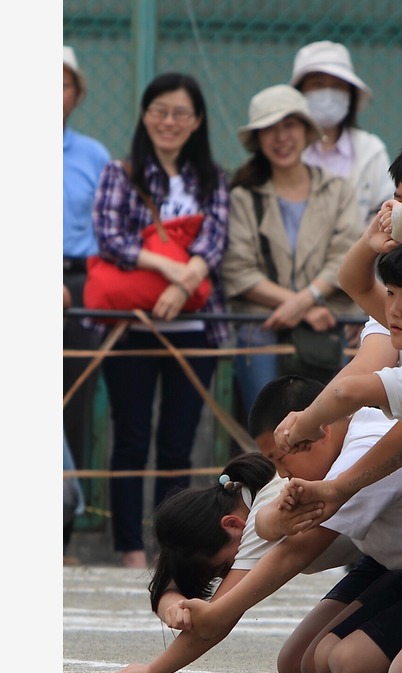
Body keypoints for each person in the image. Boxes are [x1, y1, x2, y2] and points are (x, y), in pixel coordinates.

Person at [99, 375, 402, 673]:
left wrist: (156, 670)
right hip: (391, 562)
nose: (282, 471)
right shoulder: (287, 476)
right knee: (298, 667)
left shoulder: (352, 456)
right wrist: (169, 600)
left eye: (281, 456)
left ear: (320, 431)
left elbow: (243, 595)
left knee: (349, 666)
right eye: (274, 460)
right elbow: (203, 566)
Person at [92, 72, 229, 569]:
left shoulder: (210, 176)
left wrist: (183, 282)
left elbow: (213, 242)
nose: (169, 121)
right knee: (129, 437)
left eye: (180, 113)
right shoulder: (120, 171)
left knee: (177, 443)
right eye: (159, 110)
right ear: (145, 114)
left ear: (196, 122)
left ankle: (166, 548)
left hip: (195, 328)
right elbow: (111, 236)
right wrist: (166, 268)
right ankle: (129, 547)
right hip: (131, 326)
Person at [221, 84, 362, 415]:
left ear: (306, 131)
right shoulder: (243, 197)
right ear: (257, 139)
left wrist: (305, 299)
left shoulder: (339, 190)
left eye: (289, 125)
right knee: (269, 430)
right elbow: (238, 270)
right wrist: (301, 305)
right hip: (265, 328)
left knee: (329, 427)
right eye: (268, 129)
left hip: (330, 328)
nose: (280, 137)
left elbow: (347, 255)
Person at [62, 44, 110, 554]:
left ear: (76, 94)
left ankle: (63, 525)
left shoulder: (93, 155)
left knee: (71, 400)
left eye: (62, 83)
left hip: (77, 284)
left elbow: (105, 231)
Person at [290, 40, 396, 225]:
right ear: (300, 91)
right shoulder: (284, 149)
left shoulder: (371, 151)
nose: (329, 94)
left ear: (350, 94)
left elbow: (387, 213)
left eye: (338, 86)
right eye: (318, 84)